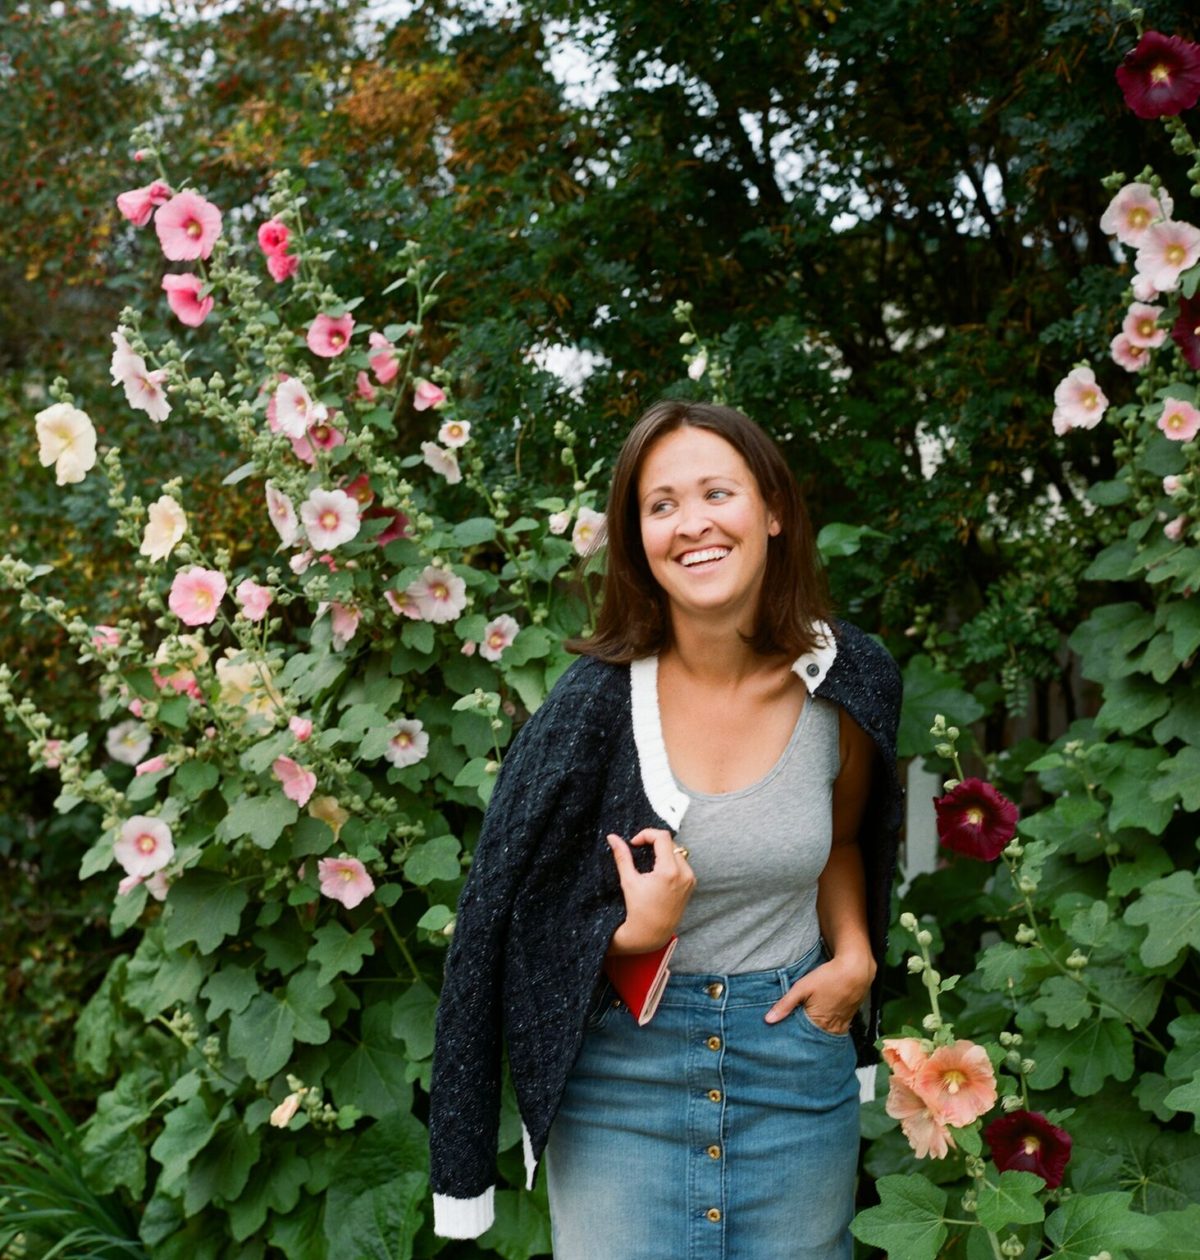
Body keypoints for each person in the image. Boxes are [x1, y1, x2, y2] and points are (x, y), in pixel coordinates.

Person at [429, 400, 903, 1259]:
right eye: (661, 505)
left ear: (772, 510)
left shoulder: (848, 680)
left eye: (717, 493)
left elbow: (843, 839)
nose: (693, 525)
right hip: (621, 1083)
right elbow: (506, 925)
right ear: (636, 538)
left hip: (794, 1062)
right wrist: (632, 934)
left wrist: (856, 955)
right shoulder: (589, 711)